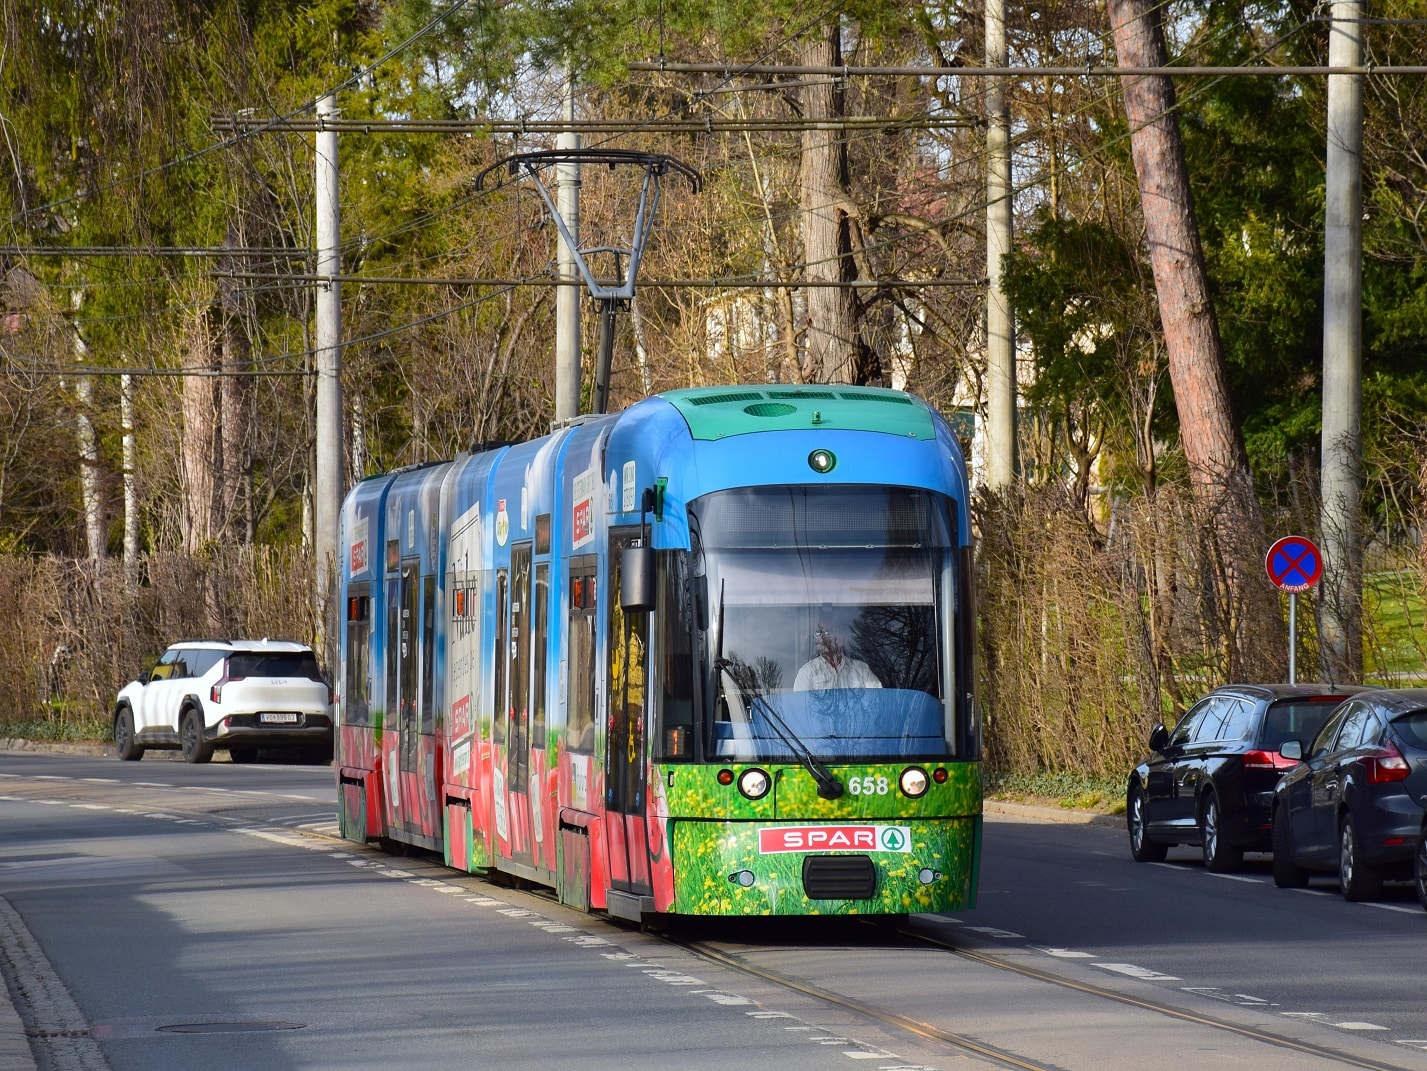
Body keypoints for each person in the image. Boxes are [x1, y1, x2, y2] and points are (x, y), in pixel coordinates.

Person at [793, 623, 880, 691]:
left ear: (842, 638)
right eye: (819, 632)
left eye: (829, 632)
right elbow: (800, 709)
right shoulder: (807, 673)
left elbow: (876, 702)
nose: (822, 637)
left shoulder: (862, 670)